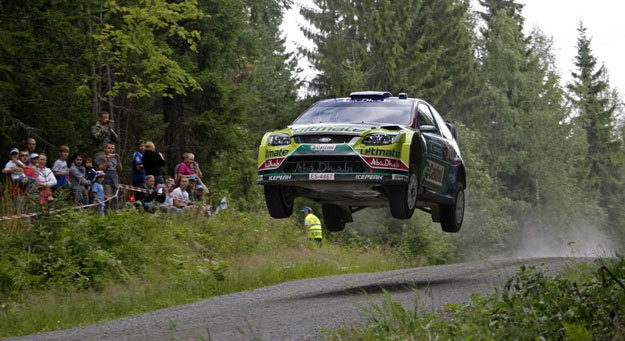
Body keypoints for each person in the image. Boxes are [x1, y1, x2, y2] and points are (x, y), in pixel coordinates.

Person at [94, 142, 122, 211]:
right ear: (105, 149)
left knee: (115, 202)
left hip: (114, 182)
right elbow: (101, 169)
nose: (110, 150)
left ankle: (113, 217)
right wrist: (107, 160)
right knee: (107, 201)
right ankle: (105, 216)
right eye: (109, 148)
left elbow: (120, 170)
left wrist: (118, 161)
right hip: (106, 182)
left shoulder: (115, 158)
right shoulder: (100, 157)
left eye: (112, 148)